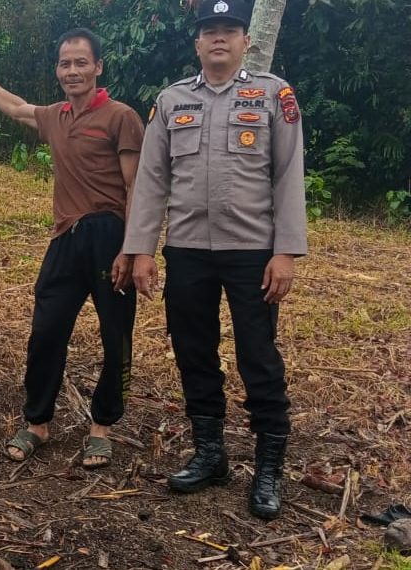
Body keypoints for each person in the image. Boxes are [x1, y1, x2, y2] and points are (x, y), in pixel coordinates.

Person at [123, 0, 306, 519]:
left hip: (253, 253)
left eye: (229, 29)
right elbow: (153, 181)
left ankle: (269, 467)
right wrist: (140, 249)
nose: (219, 38)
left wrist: (286, 251)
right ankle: (210, 453)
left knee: (258, 356)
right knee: (193, 351)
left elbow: (288, 176)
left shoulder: (273, 95)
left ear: (245, 39)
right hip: (187, 251)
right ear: (198, 43)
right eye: (210, 31)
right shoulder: (172, 100)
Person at [0, 30, 143, 468]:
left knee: (115, 337)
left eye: (81, 62)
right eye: (65, 63)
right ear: (58, 70)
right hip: (64, 239)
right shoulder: (56, 116)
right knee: (46, 333)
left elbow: (137, 186)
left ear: (98, 67)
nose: (72, 71)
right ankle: (38, 423)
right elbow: (14, 107)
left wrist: (135, 249)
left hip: (110, 237)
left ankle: (102, 428)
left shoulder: (121, 117)